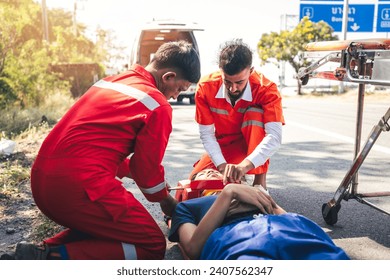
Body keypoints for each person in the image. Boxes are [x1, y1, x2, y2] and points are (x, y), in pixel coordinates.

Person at [3, 41, 201, 260]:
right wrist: (167, 201)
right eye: (180, 89)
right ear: (168, 77)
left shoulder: (111, 81)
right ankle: (50, 258)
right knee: (151, 244)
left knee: (112, 230)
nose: (175, 96)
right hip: (75, 189)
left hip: (43, 181)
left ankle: (35, 253)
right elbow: (147, 172)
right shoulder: (157, 105)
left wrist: (144, 177)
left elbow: (96, 148)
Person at [169, 169, 350, 260]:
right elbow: (193, 248)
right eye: (207, 173)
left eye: (216, 171)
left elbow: (288, 218)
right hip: (239, 239)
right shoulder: (190, 206)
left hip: (287, 229)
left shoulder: (253, 192)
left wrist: (258, 194)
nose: (214, 173)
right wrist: (228, 193)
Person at [190, 39, 284, 189]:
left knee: (255, 114)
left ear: (251, 71)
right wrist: (221, 166)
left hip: (249, 144)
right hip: (223, 146)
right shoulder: (206, 87)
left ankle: (260, 183)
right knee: (197, 183)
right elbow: (206, 134)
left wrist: (245, 166)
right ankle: (237, 176)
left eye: (239, 82)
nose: (233, 89)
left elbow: (274, 137)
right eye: (227, 82)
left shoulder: (266, 89)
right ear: (220, 70)